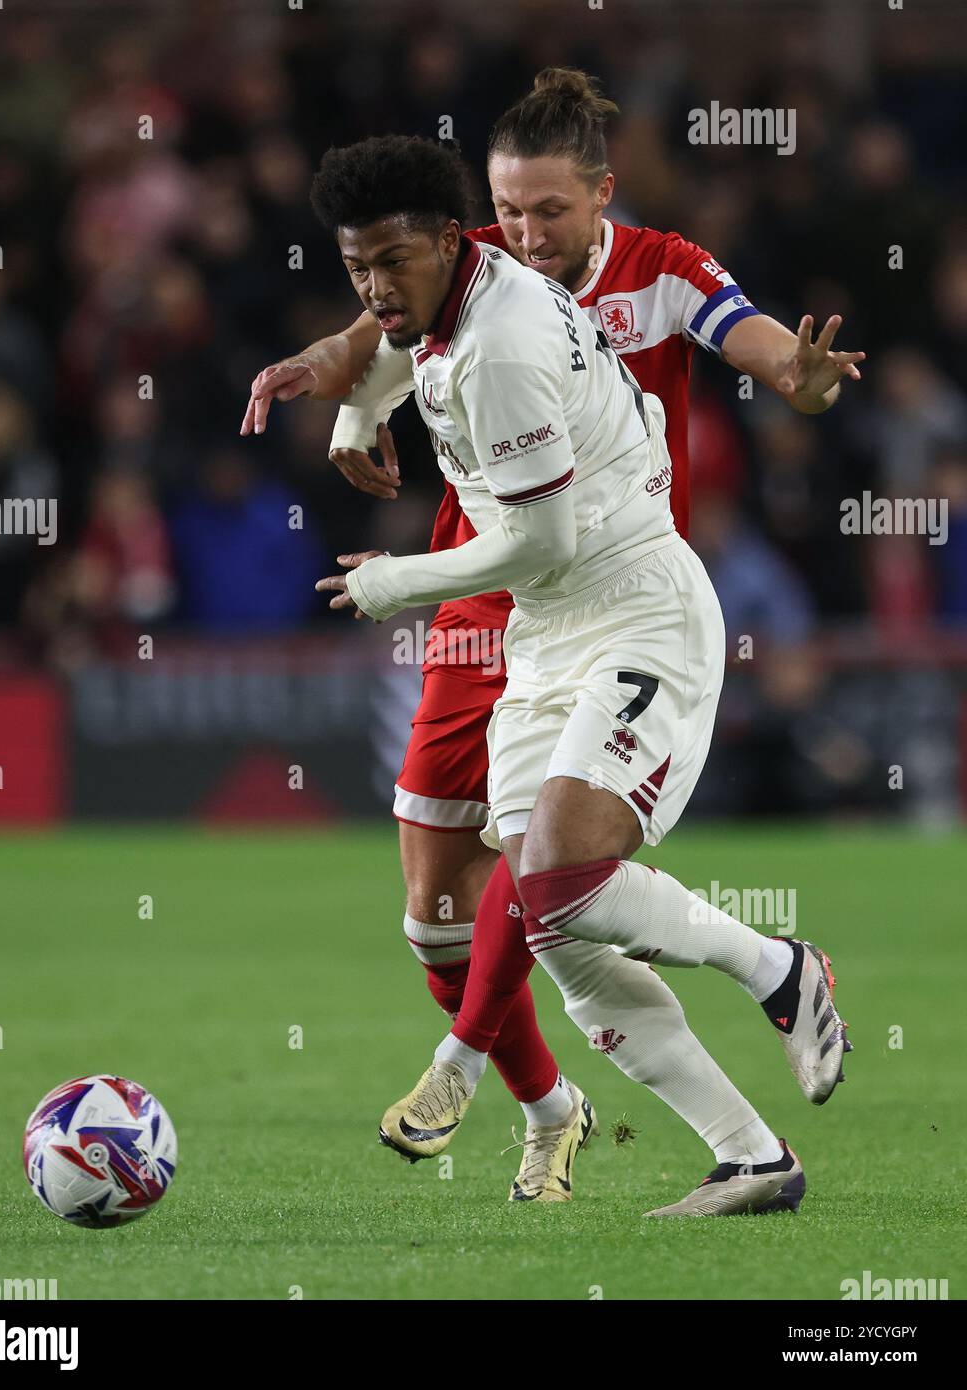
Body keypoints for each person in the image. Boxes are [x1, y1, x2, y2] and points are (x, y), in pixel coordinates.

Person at [243, 71, 861, 1210]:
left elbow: (548, 526)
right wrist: (345, 408)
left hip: (618, 593)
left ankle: (773, 968)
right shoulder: (455, 274)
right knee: (537, 923)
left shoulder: (563, 311)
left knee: (557, 880)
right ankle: (747, 1153)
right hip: (530, 619)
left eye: (549, 213)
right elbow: (378, 330)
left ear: (600, 197)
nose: (526, 234)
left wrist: (393, 580)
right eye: (508, 213)